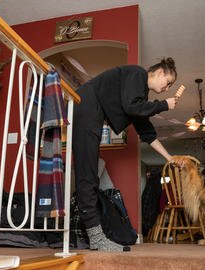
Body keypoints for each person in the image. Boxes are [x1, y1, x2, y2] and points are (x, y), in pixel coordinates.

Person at [72, 57, 181, 252]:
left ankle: (95, 236)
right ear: (159, 73)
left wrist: (169, 158)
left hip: (92, 110)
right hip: (87, 104)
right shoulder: (137, 74)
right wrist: (163, 104)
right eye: (168, 83)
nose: (167, 88)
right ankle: (96, 238)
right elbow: (132, 107)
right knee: (87, 174)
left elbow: (147, 132)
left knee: (89, 174)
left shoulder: (139, 96)